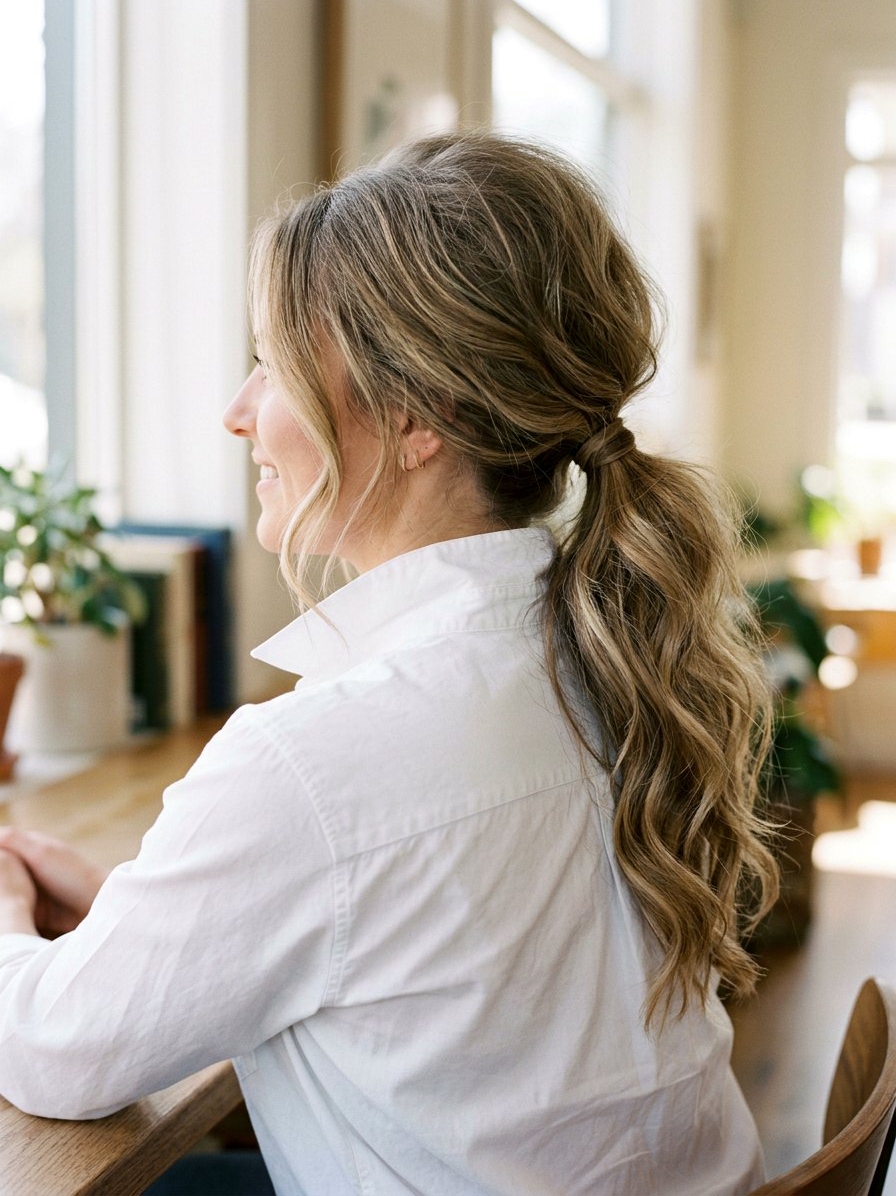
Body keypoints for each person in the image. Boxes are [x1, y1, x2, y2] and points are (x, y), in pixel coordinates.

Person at [0, 132, 778, 1195]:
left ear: (415, 419)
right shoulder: (596, 641)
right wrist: (163, 922)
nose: (236, 412)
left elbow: (55, 1057)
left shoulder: (316, 759)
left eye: (269, 365)